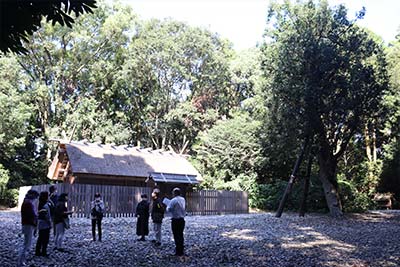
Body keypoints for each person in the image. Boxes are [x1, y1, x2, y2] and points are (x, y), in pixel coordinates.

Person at [17, 189, 39, 267]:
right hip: (28, 225)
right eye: (36, 197)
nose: (36, 199)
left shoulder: (27, 202)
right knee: (27, 244)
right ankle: (21, 262)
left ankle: (22, 261)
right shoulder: (28, 204)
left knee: (26, 244)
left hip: (27, 224)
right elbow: (32, 215)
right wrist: (35, 220)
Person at [167, 187, 186, 256]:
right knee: (181, 234)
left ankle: (178, 250)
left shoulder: (173, 200)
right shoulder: (183, 199)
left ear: (174, 193)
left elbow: (169, 209)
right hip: (182, 219)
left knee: (176, 235)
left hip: (175, 220)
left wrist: (168, 205)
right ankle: (181, 249)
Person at [35, 191, 52, 257]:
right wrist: (49, 223)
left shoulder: (41, 204)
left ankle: (37, 251)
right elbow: (46, 216)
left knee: (40, 238)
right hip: (45, 224)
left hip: (41, 223)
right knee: (45, 239)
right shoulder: (45, 205)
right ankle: (43, 252)